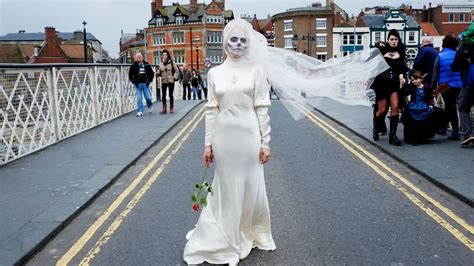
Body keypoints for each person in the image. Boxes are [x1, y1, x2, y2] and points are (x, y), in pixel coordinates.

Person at [183, 19, 275, 265]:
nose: (238, 44)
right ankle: (225, 234)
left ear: (249, 44)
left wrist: (265, 142)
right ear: (225, 43)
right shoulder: (214, 73)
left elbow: (262, 108)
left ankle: (246, 231)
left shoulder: (257, 70)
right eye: (233, 40)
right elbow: (211, 110)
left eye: (243, 40)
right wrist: (207, 144)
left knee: (249, 187)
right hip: (224, 140)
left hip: (249, 139)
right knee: (226, 186)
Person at [371, 29, 408, 146]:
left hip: (394, 84)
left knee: (395, 107)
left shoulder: (401, 51)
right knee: (381, 110)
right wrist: (377, 44)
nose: (394, 41)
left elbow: (402, 67)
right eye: (392, 39)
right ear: (388, 40)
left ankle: (393, 135)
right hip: (382, 84)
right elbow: (372, 53)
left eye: (396, 39)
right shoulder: (382, 50)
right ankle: (376, 128)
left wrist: (402, 76)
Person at [401, 70, 446, 145]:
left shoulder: (426, 87)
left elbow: (430, 97)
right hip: (413, 105)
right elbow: (405, 92)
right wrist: (403, 85)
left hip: (424, 105)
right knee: (412, 119)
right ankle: (413, 138)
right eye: (412, 80)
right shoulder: (411, 87)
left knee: (438, 111)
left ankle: (426, 135)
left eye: (416, 79)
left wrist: (431, 104)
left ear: (421, 79)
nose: (414, 81)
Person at [431, 34, 463, 140]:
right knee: (455, 107)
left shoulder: (440, 56)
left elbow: (435, 74)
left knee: (450, 107)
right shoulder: (458, 55)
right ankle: (450, 130)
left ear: (444, 44)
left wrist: (433, 88)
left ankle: (450, 130)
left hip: (445, 86)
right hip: (459, 85)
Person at [451, 23, 474, 146]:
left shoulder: (463, 49)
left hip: (469, 83)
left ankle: (469, 134)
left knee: (463, 108)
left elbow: (454, 67)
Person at [128, 52, 154, 117]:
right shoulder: (133, 66)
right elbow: (130, 75)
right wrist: (133, 81)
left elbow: (152, 73)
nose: (139, 57)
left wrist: (150, 81)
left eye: (140, 56)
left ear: (142, 57)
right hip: (138, 85)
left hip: (145, 84)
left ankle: (150, 105)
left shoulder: (146, 64)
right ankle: (140, 111)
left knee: (148, 98)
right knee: (139, 99)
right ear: (135, 58)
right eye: (138, 56)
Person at [156, 49, 179, 114]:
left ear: (168, 55)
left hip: (171, 81)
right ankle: (164, 108)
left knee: (170, 95)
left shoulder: (172, 63)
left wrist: (174, 77)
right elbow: (159, 72)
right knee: (163, 95)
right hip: (164, 81)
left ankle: (171, 107)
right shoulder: (160, 64)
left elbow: (177, 71)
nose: (164, 56)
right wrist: (156, 73)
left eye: (165, 54)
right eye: (163, 55)